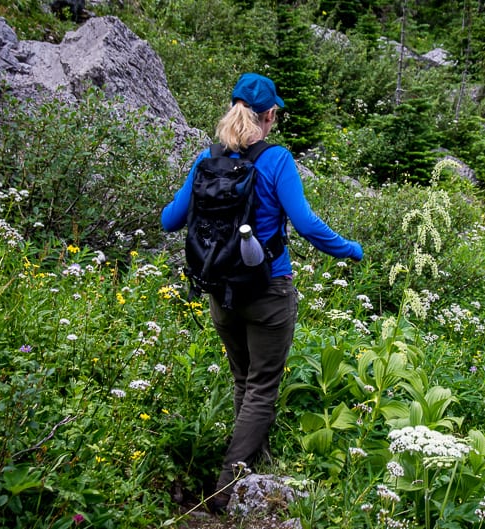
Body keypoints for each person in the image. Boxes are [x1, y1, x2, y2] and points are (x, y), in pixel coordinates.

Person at [161, 73, 363, 513]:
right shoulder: (277, 161)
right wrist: (351, 250)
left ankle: (252, 464)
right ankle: (224, 489)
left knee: (244, 380)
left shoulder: (206, 159)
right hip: (268, 292)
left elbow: (169, 220)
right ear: (270, 114)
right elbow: (307, 225)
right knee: (262, 387)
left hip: (220, 292)